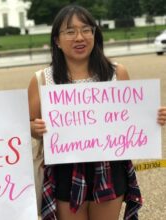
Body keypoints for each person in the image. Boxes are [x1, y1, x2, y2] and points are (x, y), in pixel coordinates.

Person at [28, 4, 166, 220]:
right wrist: (34, 128)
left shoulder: (117, 73)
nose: (79, 37)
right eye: (70, 31)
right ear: (57, 39)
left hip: (109, 168)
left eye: (86, 29)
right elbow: (27, 126)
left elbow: (132, 117)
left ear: (95, 34)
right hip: (65, 170)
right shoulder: (42, 79)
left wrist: (152, 118)